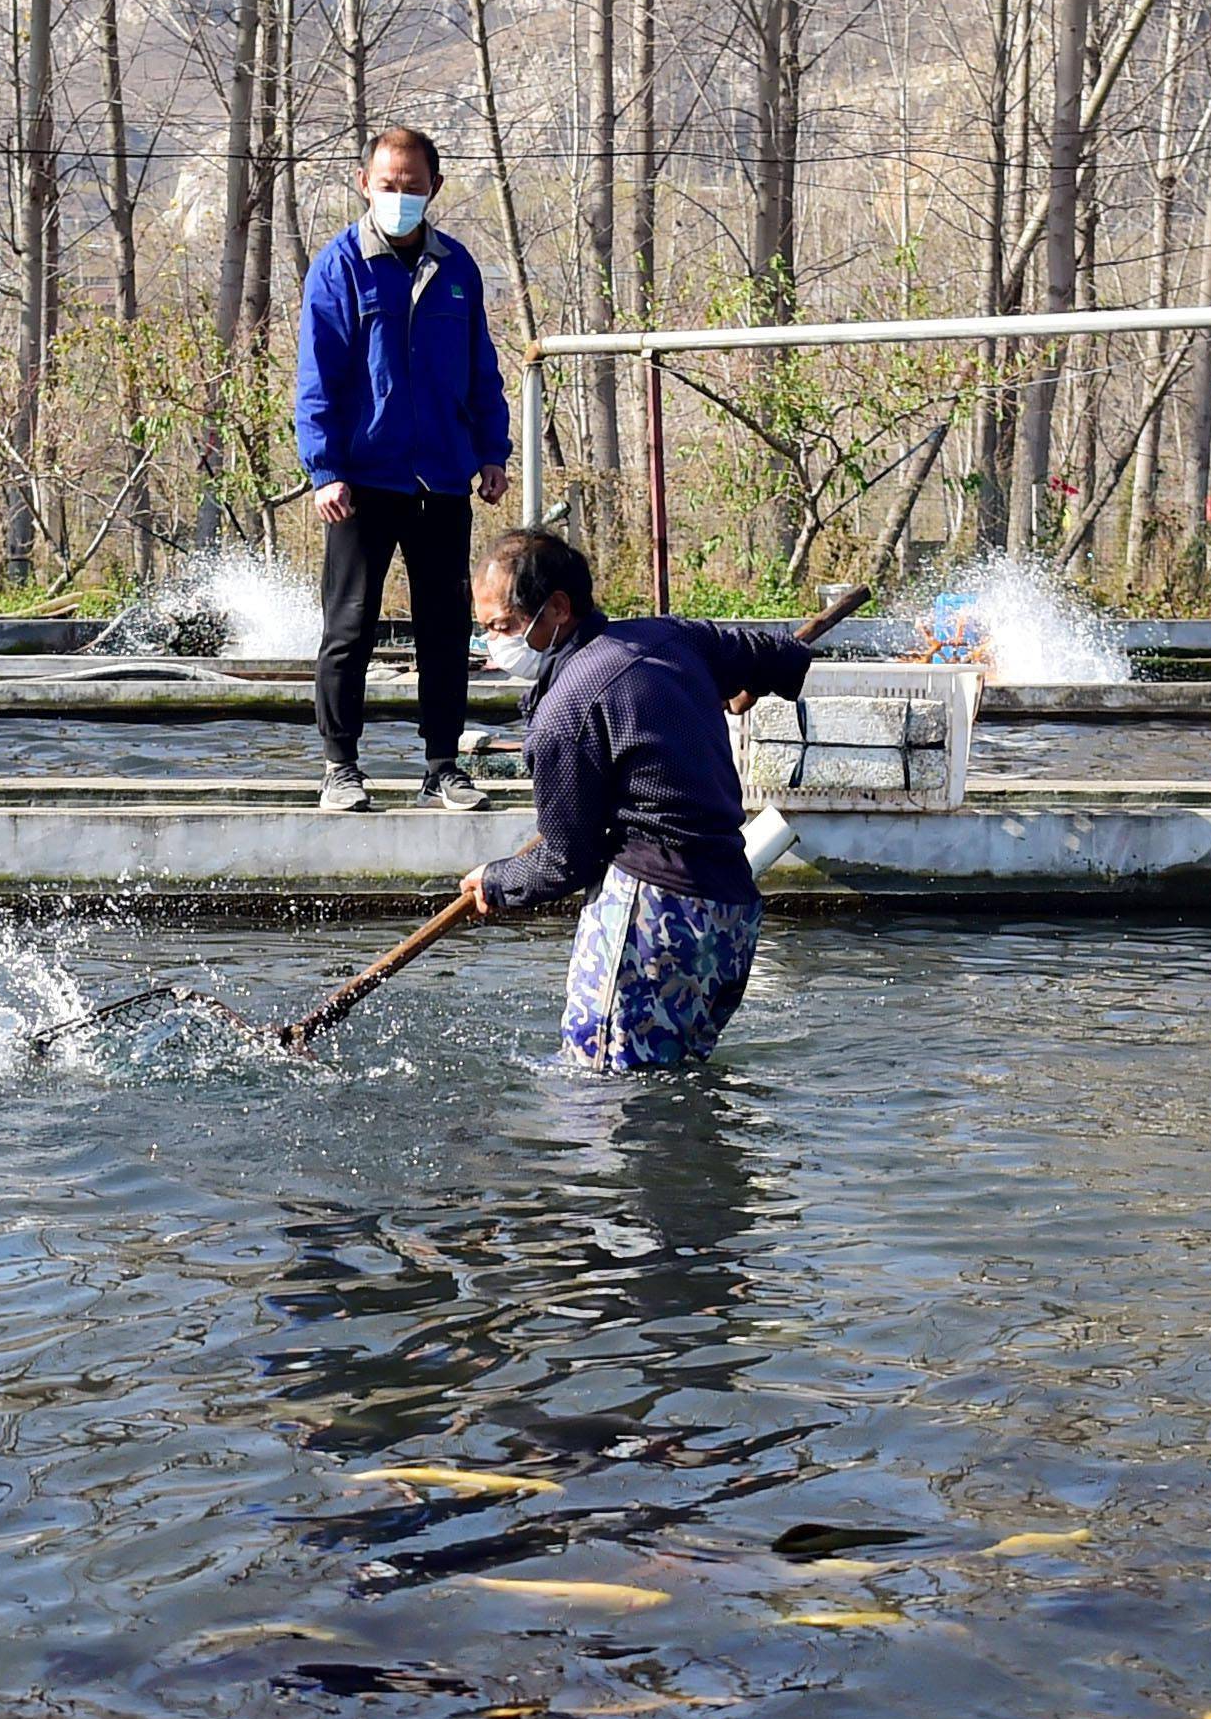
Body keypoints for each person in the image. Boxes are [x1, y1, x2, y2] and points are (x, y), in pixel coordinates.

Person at [452, 524, 821, 1074]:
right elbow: (784, 656)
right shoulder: (671, 639)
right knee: (670, 1094)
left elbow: (564, 861)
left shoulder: (564, 712)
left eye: (503, 626)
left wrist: (499, 880)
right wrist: (740, 684)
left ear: (556, 608)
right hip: (730, 919)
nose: (494, 645)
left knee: (597, 1094)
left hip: (653, 921)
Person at [294, 125, 511, 813]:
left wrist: (492, 451)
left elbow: (482, 370)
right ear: (366, 184)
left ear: (434, 189)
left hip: (442, 478)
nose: (399, 197)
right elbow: (318, 378)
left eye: (412, 187)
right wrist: (324, 466)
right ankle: (340, 766)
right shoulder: (340, 266)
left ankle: (443, 766)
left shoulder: (458, 270)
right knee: (349, 627)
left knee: (445, 630)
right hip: (361, 481)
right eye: (387, 186)